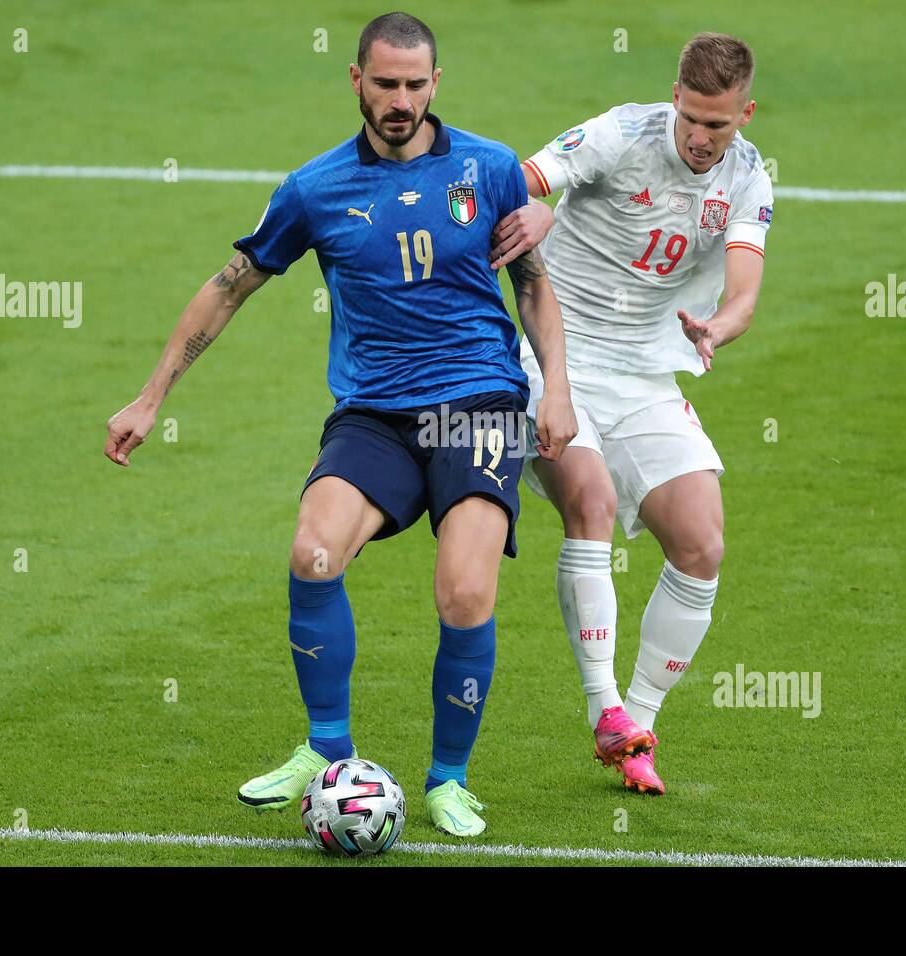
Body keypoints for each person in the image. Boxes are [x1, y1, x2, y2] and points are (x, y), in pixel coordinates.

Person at [104, 12, 576, 838]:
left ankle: (447, 781)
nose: (400, 100)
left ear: (436, 84)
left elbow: (532, 283)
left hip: (480, 404)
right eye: (385, 83)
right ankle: (327, 753)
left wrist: (558, 390)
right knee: (312, 551)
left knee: (464, 591)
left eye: (415, 84)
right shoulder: (315, 188)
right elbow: (230, 285)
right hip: (375, 414)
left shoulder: (488, 168)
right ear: (355, 79)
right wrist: (151, 396)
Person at [490, 32, 773, 795]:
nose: (701, 137)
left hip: (647, 377)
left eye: (719, 124)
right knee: (592, 498)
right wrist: (531, 215)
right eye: (691, 118)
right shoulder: (621, 132)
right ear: (674, 97)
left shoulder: (749, 179)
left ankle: (638, 725)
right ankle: (606, 709)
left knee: (702, 543)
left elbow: (744, 289)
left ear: (745, 113)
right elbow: (509, 182)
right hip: (553, 360)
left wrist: (719, 326)